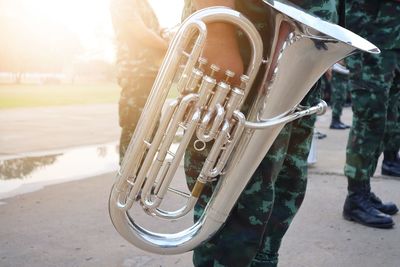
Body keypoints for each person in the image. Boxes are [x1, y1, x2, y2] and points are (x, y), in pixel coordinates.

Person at [183, 0, 338, 266]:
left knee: (285, 182)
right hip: (248, 46)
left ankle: (262, 260)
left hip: (302, 42)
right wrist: (220, 31)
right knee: (234, 198)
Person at [343, 0, 399, 228]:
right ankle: (355, 198)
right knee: (369, 120)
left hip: (391, 44)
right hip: (369, 45)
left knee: (384, 120)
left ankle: (363, 190)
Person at [110, 0, 168, 163]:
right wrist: (169, 45)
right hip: (137, 73)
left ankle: (140, 182)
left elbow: (153, 31)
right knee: (136, 131)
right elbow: (140, 32)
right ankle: (128, 184)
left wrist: (163, 34)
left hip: (151, 73)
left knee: (150, 130)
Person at [330, 61, 351, 129]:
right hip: (338, 83)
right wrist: (349, 72)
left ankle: (338, 120)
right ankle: (334, 122)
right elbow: (335, 67)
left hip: (342, 82)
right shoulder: (335, 62)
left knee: (341, 100)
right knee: (338, 100)